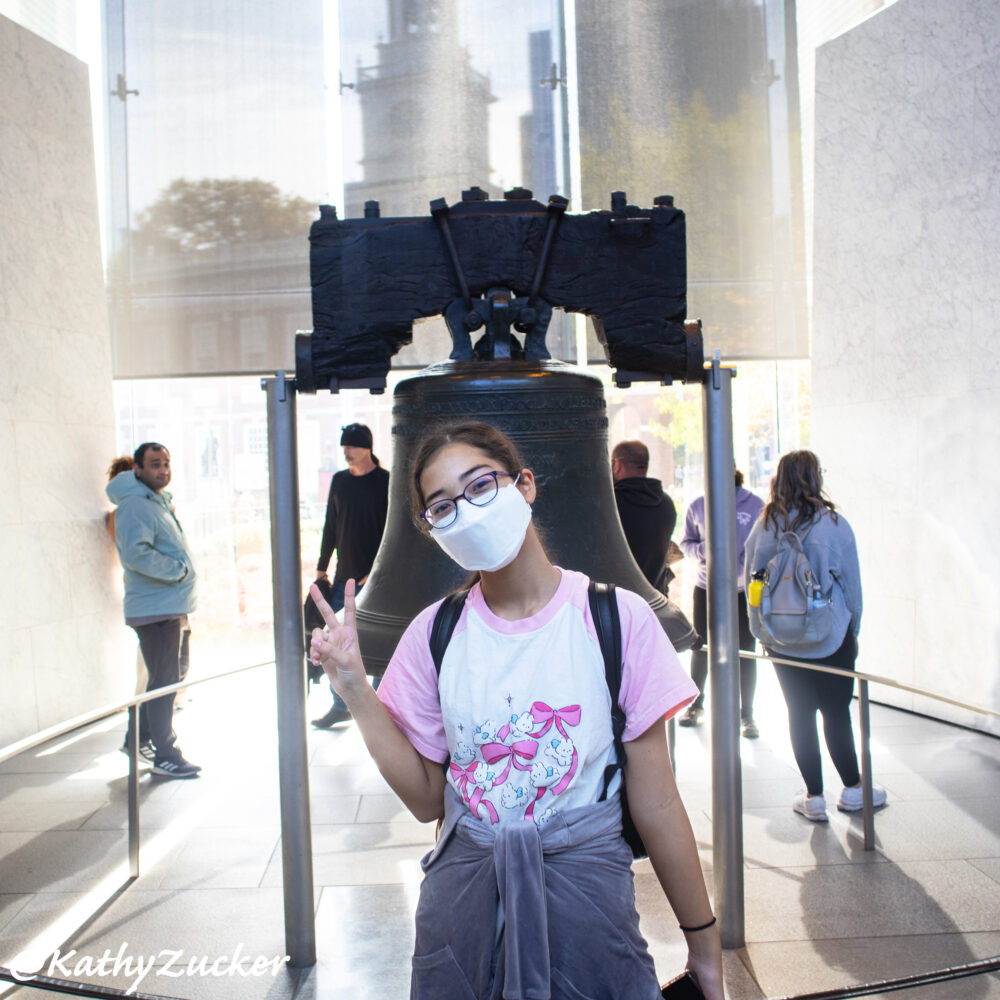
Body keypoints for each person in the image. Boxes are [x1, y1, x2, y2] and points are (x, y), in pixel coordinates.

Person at [308, 421, 725, 1000]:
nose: (468, 511)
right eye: (442, 507)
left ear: (524, 485)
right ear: (431, 531)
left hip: (589, 910)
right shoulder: (435, 634)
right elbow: (427, 798)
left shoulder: (617, 620)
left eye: (480, 486)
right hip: (462, 914)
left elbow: (657, 801)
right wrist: (353, 686)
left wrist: (704, 946)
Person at [743, 450, 887, 822]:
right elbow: (851, 587)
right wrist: (851, 630)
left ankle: (814, 797)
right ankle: (854, 790)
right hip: (829, 639)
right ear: (815, 477)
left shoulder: (764, 526)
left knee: (799, 714)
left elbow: (751, 583)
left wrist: (762, 631)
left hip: (781, 639)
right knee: (837, 712)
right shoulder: (833, 525)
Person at [106, 442, 200, 779]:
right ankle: (166, 754)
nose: (163, 470)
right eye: (155, 464)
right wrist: (178, 570)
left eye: (166, 463)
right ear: (138, 470)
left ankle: (139, 740)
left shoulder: (153, 502)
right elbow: (136, 555)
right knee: (164, 682)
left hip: (167, 606)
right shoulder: (134, 505)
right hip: (155, 609)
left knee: (164, 678)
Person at [311, 422, 390, 728]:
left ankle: (383, 705)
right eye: (344, 445)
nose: (346, 451)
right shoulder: (340, 481)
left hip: (378, 578)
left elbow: (392, 531)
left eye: (352, 445)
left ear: (367, 447)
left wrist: (378, 570)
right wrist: (322, 565)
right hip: (344, 577)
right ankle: (341, 705)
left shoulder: (385, 481)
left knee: (382, 642)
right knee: (338, 641)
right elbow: (331, 524)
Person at [678, 470, 765, 737]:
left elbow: (764, 545)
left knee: (746, 650)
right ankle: (695, 705)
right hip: (707, 588)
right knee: (701, 647)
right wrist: (706, 550)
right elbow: (686, 544)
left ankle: (746, 715)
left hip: (742, 590)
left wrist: (747, 561)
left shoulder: (756, 506)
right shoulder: (698, 506)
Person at [611, 439, 677, 593]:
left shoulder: (611, 505)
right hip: (656, 598)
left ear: (618, 465)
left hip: (620, 603)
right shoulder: (666, 503)